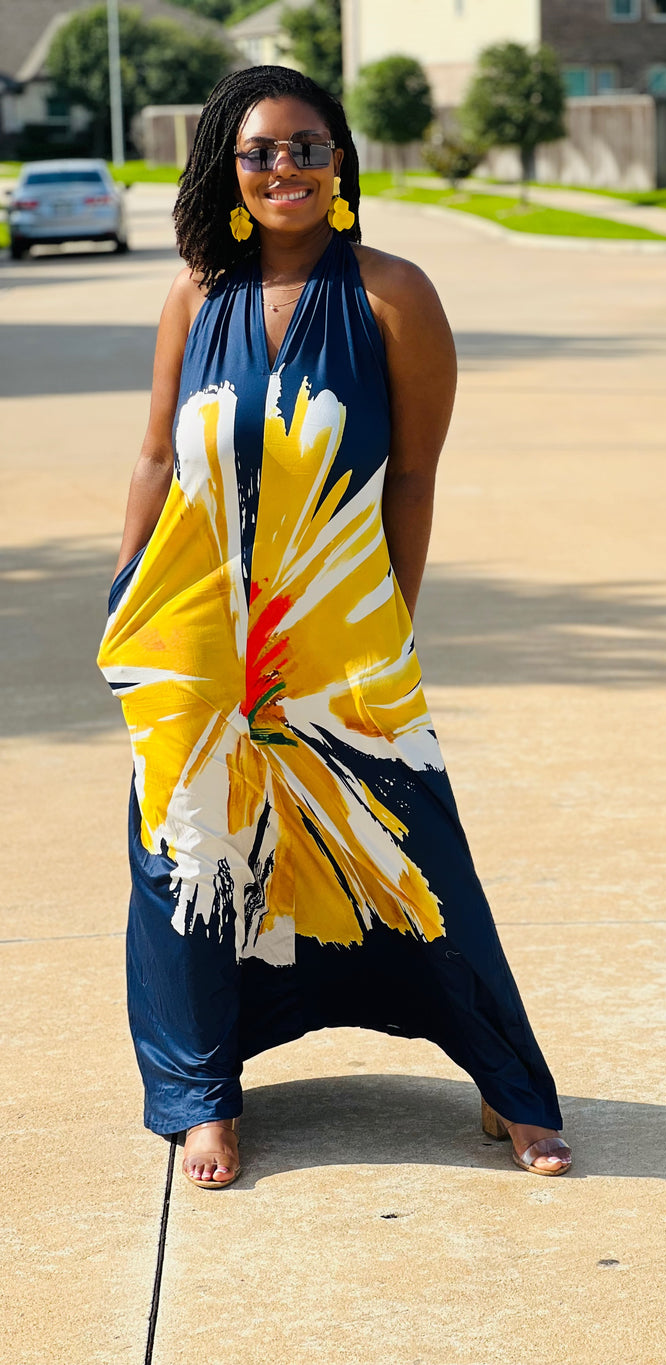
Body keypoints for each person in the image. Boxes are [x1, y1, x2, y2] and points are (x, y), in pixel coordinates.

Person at [97, 65, 571, 1189]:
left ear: (341, 161)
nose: (285, 170)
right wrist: (126, 590)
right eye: (261, 151)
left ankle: (510, 1092)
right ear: (230, 168)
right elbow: (159, 455)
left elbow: (412, 476)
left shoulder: (393, 294)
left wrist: (391, 620)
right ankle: (200, 1096)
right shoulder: (193, 294)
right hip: (197, 627)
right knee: (190, 854)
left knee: (410, 850)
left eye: (307, 147)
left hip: (337, 629)